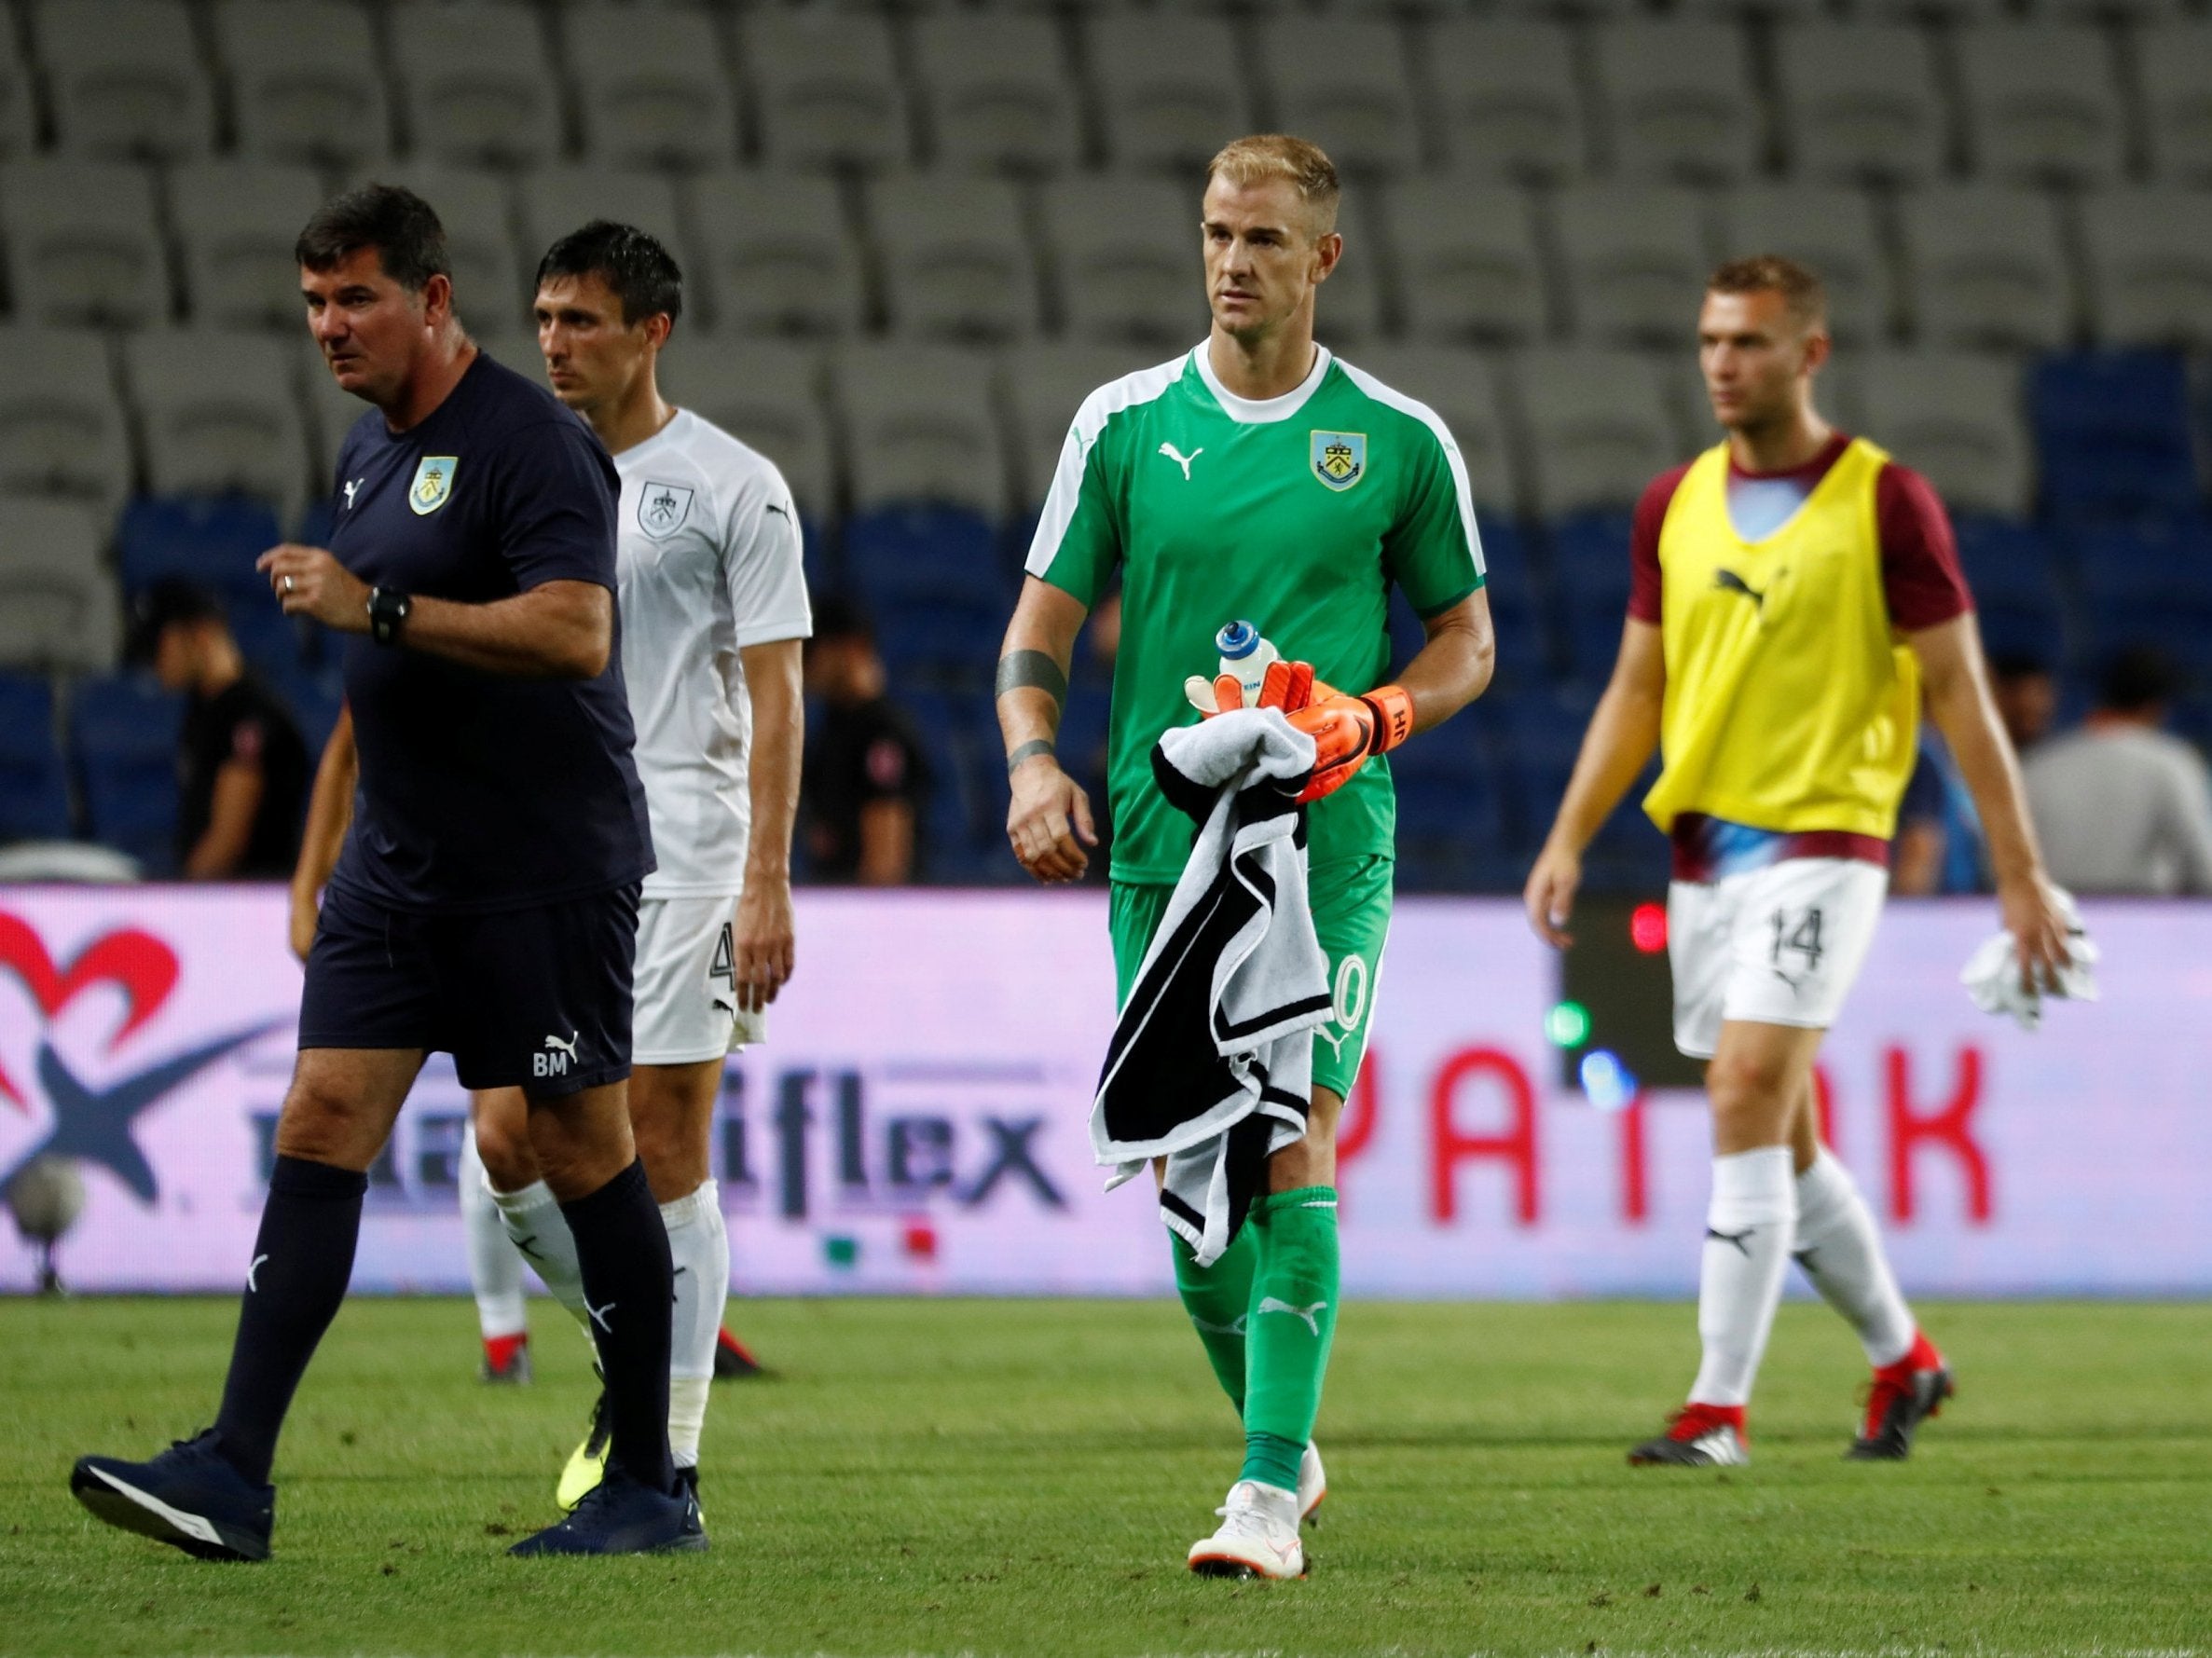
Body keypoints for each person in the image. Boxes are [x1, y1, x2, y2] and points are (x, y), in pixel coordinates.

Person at [70, 184, 700, 1559]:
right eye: (311, 303)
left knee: (583, 1144)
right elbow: (376, 680)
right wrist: (328, 845)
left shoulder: (533, 441)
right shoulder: (368, 451)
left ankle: (648, 1480)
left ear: (431, 297)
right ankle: (233, 1470)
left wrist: (385, 605)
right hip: (399, 872)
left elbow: (577, 630)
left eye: (354, 298)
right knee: (318, 1120)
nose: (329, 327)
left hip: (539, 865)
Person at [998, 133, 1493, 1580]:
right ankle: (1287, 1430)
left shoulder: (1395, 438)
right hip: (1164, 850)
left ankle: (1265, 1490)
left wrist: (1381, 709)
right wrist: (1034, 762)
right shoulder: (1126, 421)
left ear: (1323, 258)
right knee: (1184, 1180)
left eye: (1265, 239)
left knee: (1294, 1138)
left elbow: (1468, 638)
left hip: (1323, 849)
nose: (1232, 261)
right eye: (1218, 233)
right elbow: (1038, 629)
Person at [1523, 255, 2072, 1470]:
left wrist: (2018, 870)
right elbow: (1636, 684)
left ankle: (1716, 1407)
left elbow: (1958, 693)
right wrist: (1567, 834)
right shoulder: (1671, 500)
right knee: (1784, 1129)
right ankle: (1904, 1356)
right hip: (1706, 846)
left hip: (1828, 836)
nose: (1724, 363)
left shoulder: (1887, 502)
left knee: (1739, 1090)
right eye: (1711, 341)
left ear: (1809, 355)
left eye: (1751, 343)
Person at [284, 224, 803, 1505]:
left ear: (652, 332)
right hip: (542, 851)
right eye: (546, 319)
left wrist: (768, 880)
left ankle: (664, 1449)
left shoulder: (736, 485)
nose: (557, 343)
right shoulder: (509, 465)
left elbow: (777, 696)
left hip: (684, 847)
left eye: (582, 320)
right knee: (509, 1144)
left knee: (665, 1142)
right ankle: (635, 1348)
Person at [127, 578, 309, 880]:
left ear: (200, 633)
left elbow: (227, 842)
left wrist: (180, 902)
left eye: (158, 645)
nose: (153, 662)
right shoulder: (202, 707)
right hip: (220, 897)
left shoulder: (249, 715)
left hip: (252, 904)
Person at [2025, 646, 2212, 895]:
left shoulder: (2038, 763)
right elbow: (2202, 863)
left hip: (2056, 917)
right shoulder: (2172, 763)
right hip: (2143, 920)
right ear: (2156, 706)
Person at [802, 596, 929, 884]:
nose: (804, 663)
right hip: (832, 902)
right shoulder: (832, 726)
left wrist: (867, 924)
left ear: (852, 645)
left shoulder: (881, 731)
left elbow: (886, 859)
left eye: (813, 650)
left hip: (864, 914)